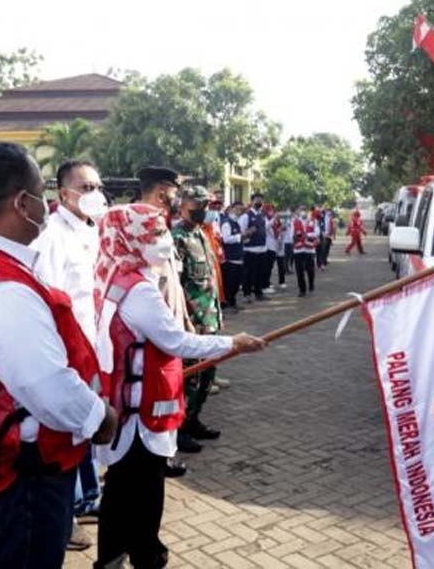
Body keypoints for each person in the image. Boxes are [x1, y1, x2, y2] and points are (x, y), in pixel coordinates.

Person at [0, 142, 117, 569]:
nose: (44, 206)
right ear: (21, 202)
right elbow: (48, 389)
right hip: (20, 477)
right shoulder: (2, 287)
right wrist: (100, 418)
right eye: (39, 194)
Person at [93, 203, 265, 569]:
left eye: (163, 231)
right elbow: (177, 342)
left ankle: (112, 555)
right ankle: (144, 555)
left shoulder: (114, 274)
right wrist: (232, 343)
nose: (164, 241)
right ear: (131, 238)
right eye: (154, 234)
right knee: (144, 490)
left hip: (128, 400)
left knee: (122, 488)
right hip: (140, 411)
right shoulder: (137, 290)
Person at [33, 159, 109, 550]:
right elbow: (50, 298)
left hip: (94, 343)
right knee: (71, 427)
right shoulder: (53, 237)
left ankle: (88, 497)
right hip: (68, 347)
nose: (95, 193)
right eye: (86, 187)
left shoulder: (92, 230)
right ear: (64, 194)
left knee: (88, 423)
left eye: (98, 185)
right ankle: (69, 511)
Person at [136, 166, 193, 476]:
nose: (177, 200)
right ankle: (156, 454)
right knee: (154, 396)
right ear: (161, 194)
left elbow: (173, 279)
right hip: (152, 330)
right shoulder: (137, 228)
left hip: (170, 325)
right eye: (173, 195)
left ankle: (165, 450)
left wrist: (184, 319)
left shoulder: (161, 226)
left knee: (171, 392)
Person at [173, 186, 225, 453]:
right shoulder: (177, 238)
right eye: (198, 203)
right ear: (182, 204)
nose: (203, 208)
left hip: (209, 319)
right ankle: (179, 428)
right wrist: (184, 321)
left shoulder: (202, 235)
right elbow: (175, 285)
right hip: (192, 322)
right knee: (190, 377)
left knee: (208, 373)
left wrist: (217, 314)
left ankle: (193, 420)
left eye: (206, 203)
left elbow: (210, 282)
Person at [239, 192, 269, 302]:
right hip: (250, 249)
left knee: (260, 273)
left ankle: (258, 293)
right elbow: (241, 233)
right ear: (252, 201)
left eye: (261, 200)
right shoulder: (246, 216)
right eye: (257, 199)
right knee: (249, 273)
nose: (259, 202)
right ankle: (247, 294)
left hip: (262, 248)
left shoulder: (261, 216)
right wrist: (248, 233)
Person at [219, 201, 248, 313]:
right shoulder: (227, 223)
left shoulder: (236, 223)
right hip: (230, 258)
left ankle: (233, 302)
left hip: (238, 257)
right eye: (237, 209)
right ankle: (227, 304)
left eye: (241, 209)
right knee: (229, 283)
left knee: (236, 283)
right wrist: (240, 236)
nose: (239, 211)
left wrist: (244, 237)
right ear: (231, 208)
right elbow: (226, 239)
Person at [293, 206, 319, 297]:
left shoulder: (313, 221)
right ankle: (302, 289)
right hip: (298, 249)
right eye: (301, 210)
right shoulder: (295, 221)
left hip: (309, 248)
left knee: (310, 269)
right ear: (299, 212)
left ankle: (311, 284)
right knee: (299, 270)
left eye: (304, 210)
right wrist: (297, 236)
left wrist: (306, 235)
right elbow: (291, 235)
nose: (303, 212)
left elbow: (317, 233)